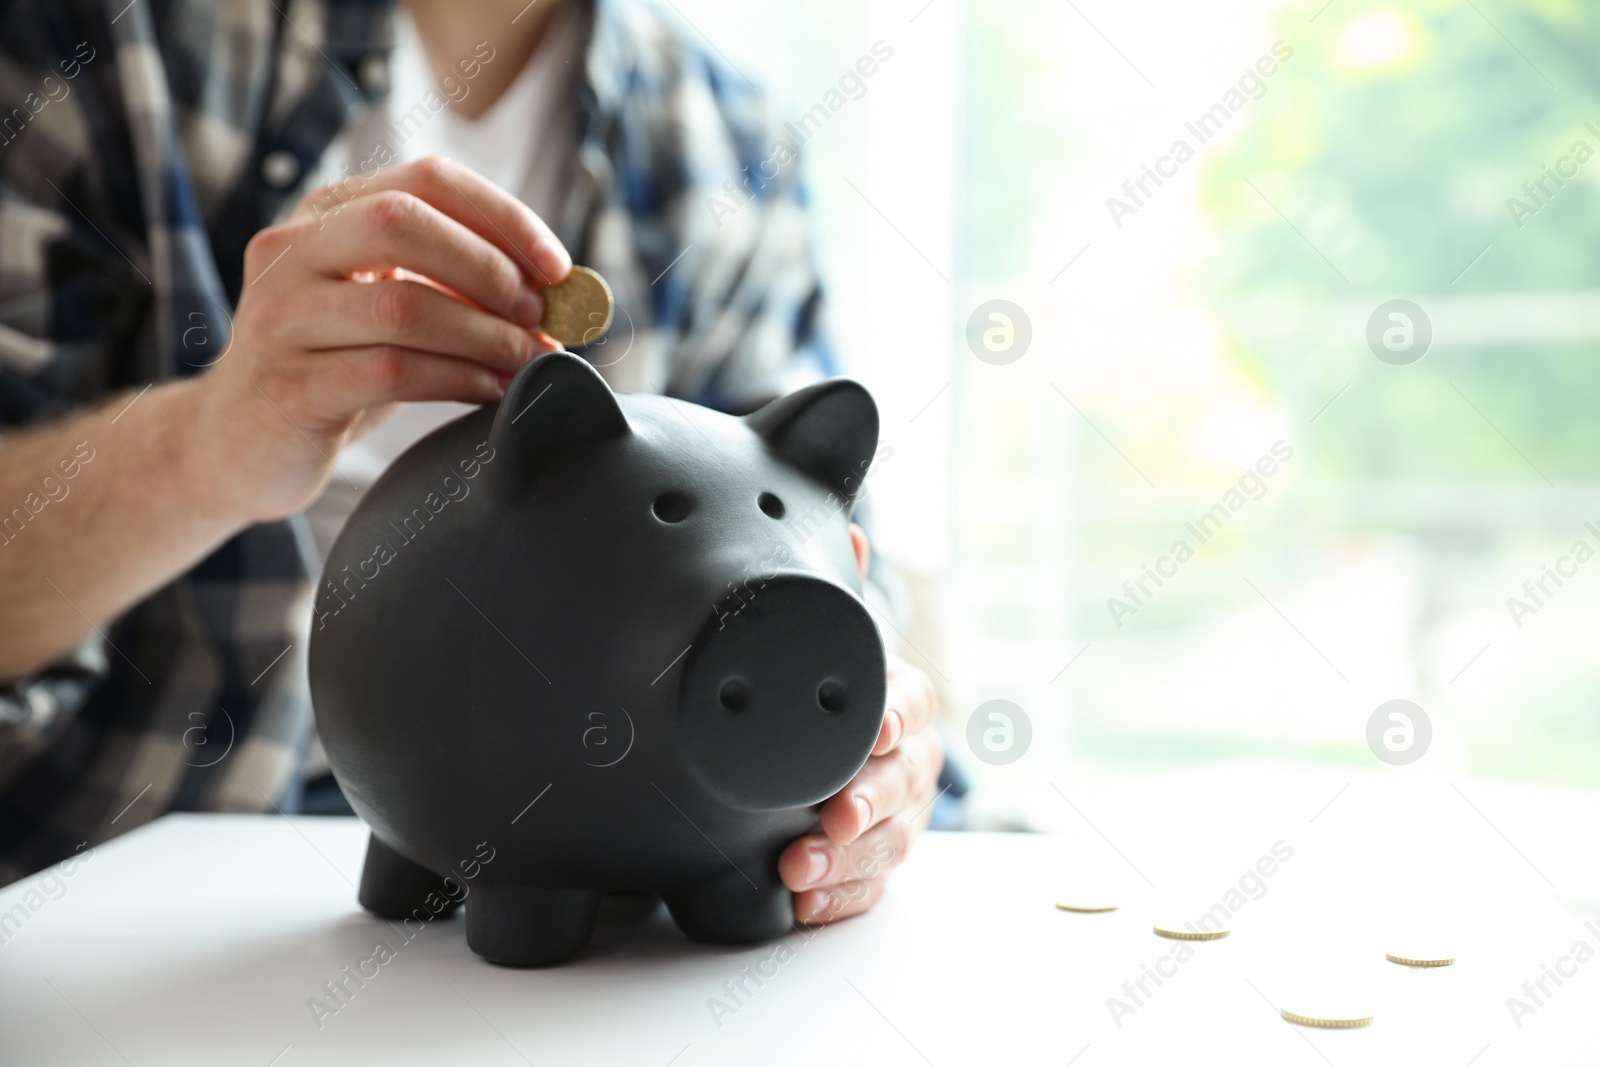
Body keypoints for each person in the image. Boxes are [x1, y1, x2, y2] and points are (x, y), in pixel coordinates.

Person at [0, 0, 946, 925]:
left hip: (619, 866)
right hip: (117, 889)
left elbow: (825, 539)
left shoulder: (730, 139)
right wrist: (208, 443)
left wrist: (874, 737)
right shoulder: (96, 42)